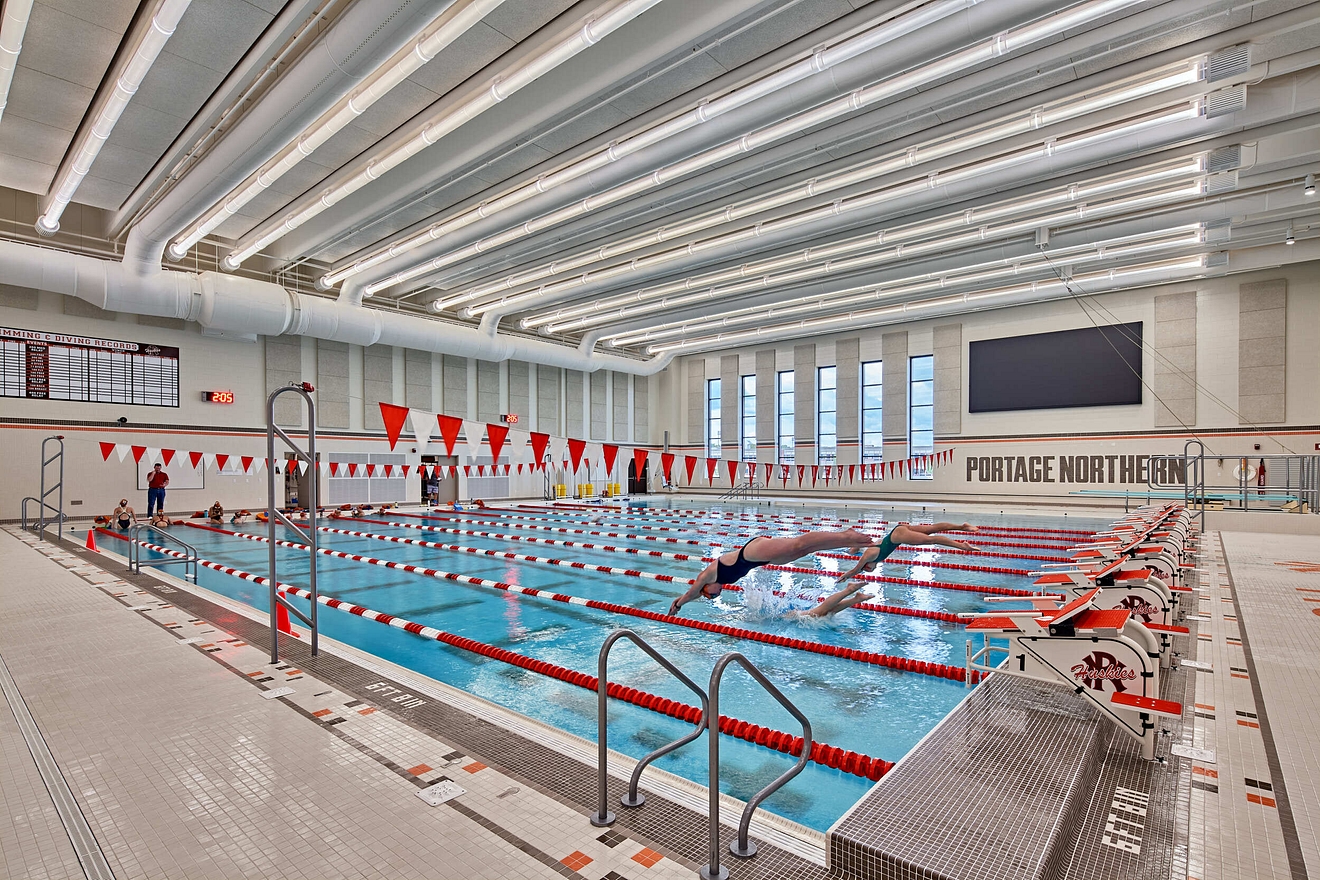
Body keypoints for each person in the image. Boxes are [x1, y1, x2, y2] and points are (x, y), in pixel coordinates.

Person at [668, 529, 879, 617]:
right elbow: (694, 594)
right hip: (760, 559)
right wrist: (684, 600)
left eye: (710, 595)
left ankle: (846, 536)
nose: (714, 595)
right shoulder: (716, 581)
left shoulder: (707, 576)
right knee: (805, 550)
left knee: (799, 544)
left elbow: (691, 593)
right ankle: (846, 542)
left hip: (751, 552)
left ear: (705, 586)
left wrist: (678, 604)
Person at [835, 522, 981, 582]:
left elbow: (855, 570)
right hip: (899, 530)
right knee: (932, 529)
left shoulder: (870, 556)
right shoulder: (875, 557)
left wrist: (844, 577)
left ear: (867, 566)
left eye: (869, 570)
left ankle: (962, 546)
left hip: (898, 536)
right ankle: (963, 527)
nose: (873, 569)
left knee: (932, 539)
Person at [786, 581, 875, 619]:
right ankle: (855, 599)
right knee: (825, 613)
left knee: (819, 612)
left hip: (786, 614)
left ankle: (849, 590)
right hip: (786, 612)